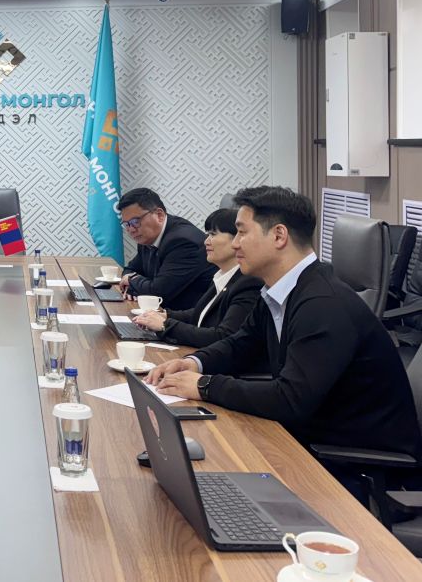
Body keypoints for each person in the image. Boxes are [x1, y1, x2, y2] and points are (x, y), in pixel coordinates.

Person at [147, 186, 422, 467]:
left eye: (242, 232)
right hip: (308, 436)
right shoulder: (281, 291)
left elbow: (291, 399)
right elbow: (241, 343)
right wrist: (194, 363)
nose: (235, 244)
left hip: (352, 460)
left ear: (279, 236)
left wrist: (204, 386)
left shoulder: (322, 304)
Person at [132, 208, 262, 348]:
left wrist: (165, 325)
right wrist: (165, 315)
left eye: (213, 234)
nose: (206, 241)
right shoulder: (223, 275)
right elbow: (200, 313)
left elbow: (223, 336)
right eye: (207, 234)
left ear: (238, 239)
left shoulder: (248, 283)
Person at [117, 188, 216, 311]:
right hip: (160, 312)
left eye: (135, 221)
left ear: (159, 215)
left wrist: (131, 281)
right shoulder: (147, 237)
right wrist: (132, 284)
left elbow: (158, 292)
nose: (131, 229)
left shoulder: (183, 242)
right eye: (126, 224)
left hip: (186, 317)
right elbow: (130, 269)